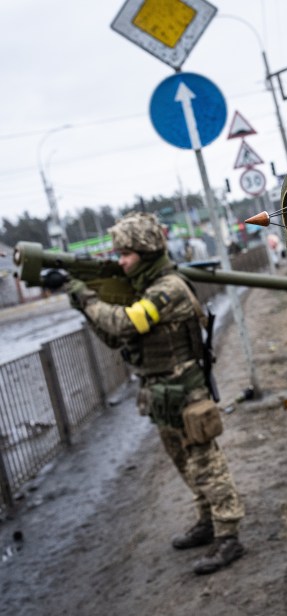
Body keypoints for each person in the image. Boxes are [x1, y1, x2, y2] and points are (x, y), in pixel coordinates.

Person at [66, 211, 245, 576]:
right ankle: (206, 522)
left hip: (187, 393)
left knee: (206, 465)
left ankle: (228, 536)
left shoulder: (168, 288)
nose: (121, 261)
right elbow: (117, 336)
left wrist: (85, 298)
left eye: (126, 254)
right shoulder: (145, 289)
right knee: (185, 465)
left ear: (146, 252)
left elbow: (128, 322)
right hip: (162, 393)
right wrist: (86, 307)